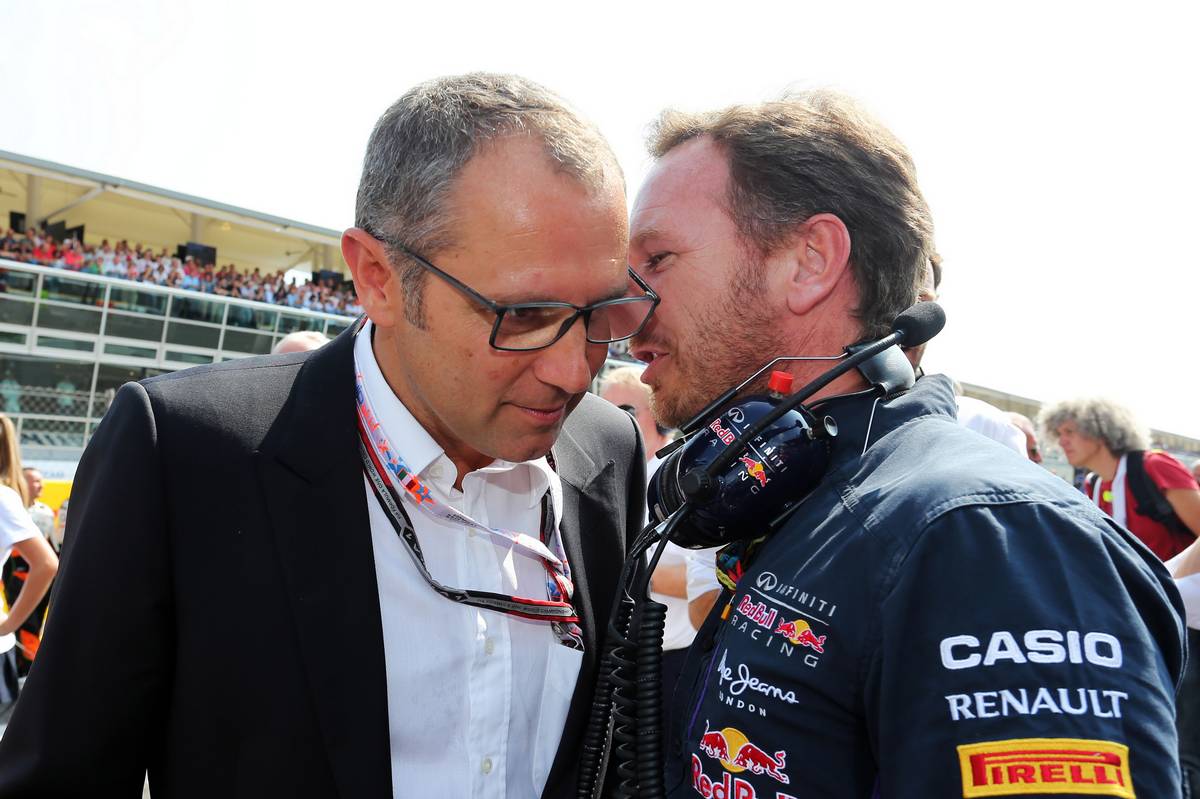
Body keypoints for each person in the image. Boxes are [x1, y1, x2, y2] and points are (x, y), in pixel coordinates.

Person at [0, 73, 654, 798]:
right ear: (377, 276)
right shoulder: (185, 454)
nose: (574, 371)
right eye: (523, 316)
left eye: (603, 312)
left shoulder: (607, 452)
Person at [621, 91, 1188, 797]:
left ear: (809, 261)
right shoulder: (805, 496)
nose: (621, 306)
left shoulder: (985, 537)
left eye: (658, 258)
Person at [599, 366, 704, 699]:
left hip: (671, 662)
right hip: (622, 656)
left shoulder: (682, 480)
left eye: (626, 412)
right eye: (604, 412)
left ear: (659, 419)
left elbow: (704, 579)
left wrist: (624, 567)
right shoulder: (607, 476)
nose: (614, 423)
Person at [1039, 397, 1200, 560]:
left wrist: (1177, 580)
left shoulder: (1155, 465)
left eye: (1069, 432)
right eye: (1058, 434)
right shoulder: (1093, 484)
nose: (1061, 441)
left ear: (1100, 430)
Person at [0, 415, 58, 706]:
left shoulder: (4, 499)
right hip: (14, 577)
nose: (39, 486)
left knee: (30, 632)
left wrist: (8, 625)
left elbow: (48, 561)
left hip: (22, 583)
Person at [1, 468, 56, 674]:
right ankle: (23, 666)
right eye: (35, 481)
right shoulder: (11, 503)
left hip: (36, 574)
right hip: (16, 572)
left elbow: (51, 552)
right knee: (25, 627)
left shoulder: (45, 511)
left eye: (41, 481)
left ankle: (27, 668)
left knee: (34, 625)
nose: (40, 485)